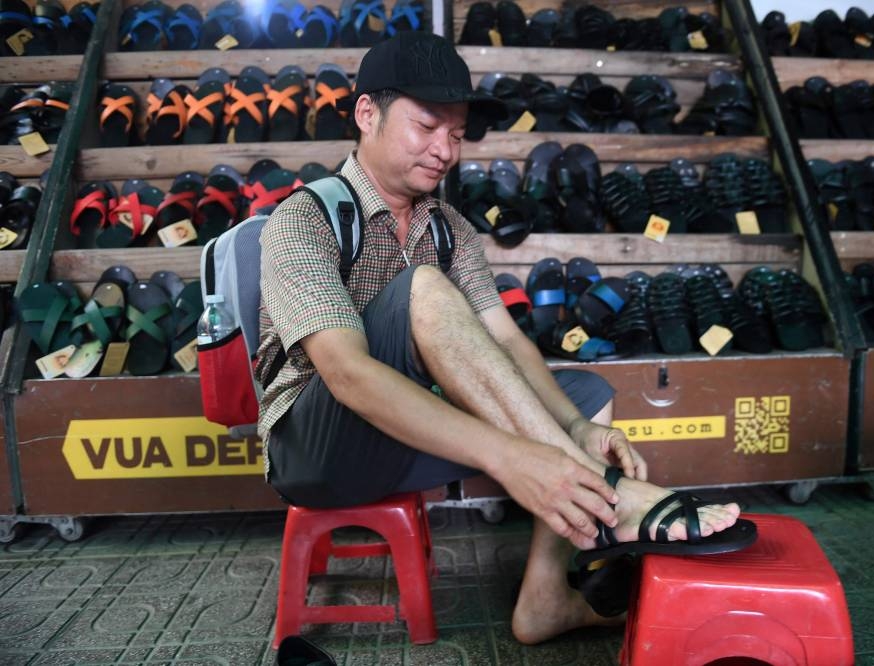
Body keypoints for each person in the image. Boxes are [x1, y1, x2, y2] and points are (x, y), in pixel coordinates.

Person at [257, 31, 746, 644]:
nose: (444, 151)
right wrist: (510, 456)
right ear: (367, 114)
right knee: (423, 289)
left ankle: (545, 597)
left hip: (410, 429)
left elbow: (508, 342)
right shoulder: (303, 219)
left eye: (457, 136)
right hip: (318, 450)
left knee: (588, 395)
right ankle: (611, 500)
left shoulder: (450, 228)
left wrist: (573, 429)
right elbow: (349, 375)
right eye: (427, 126)